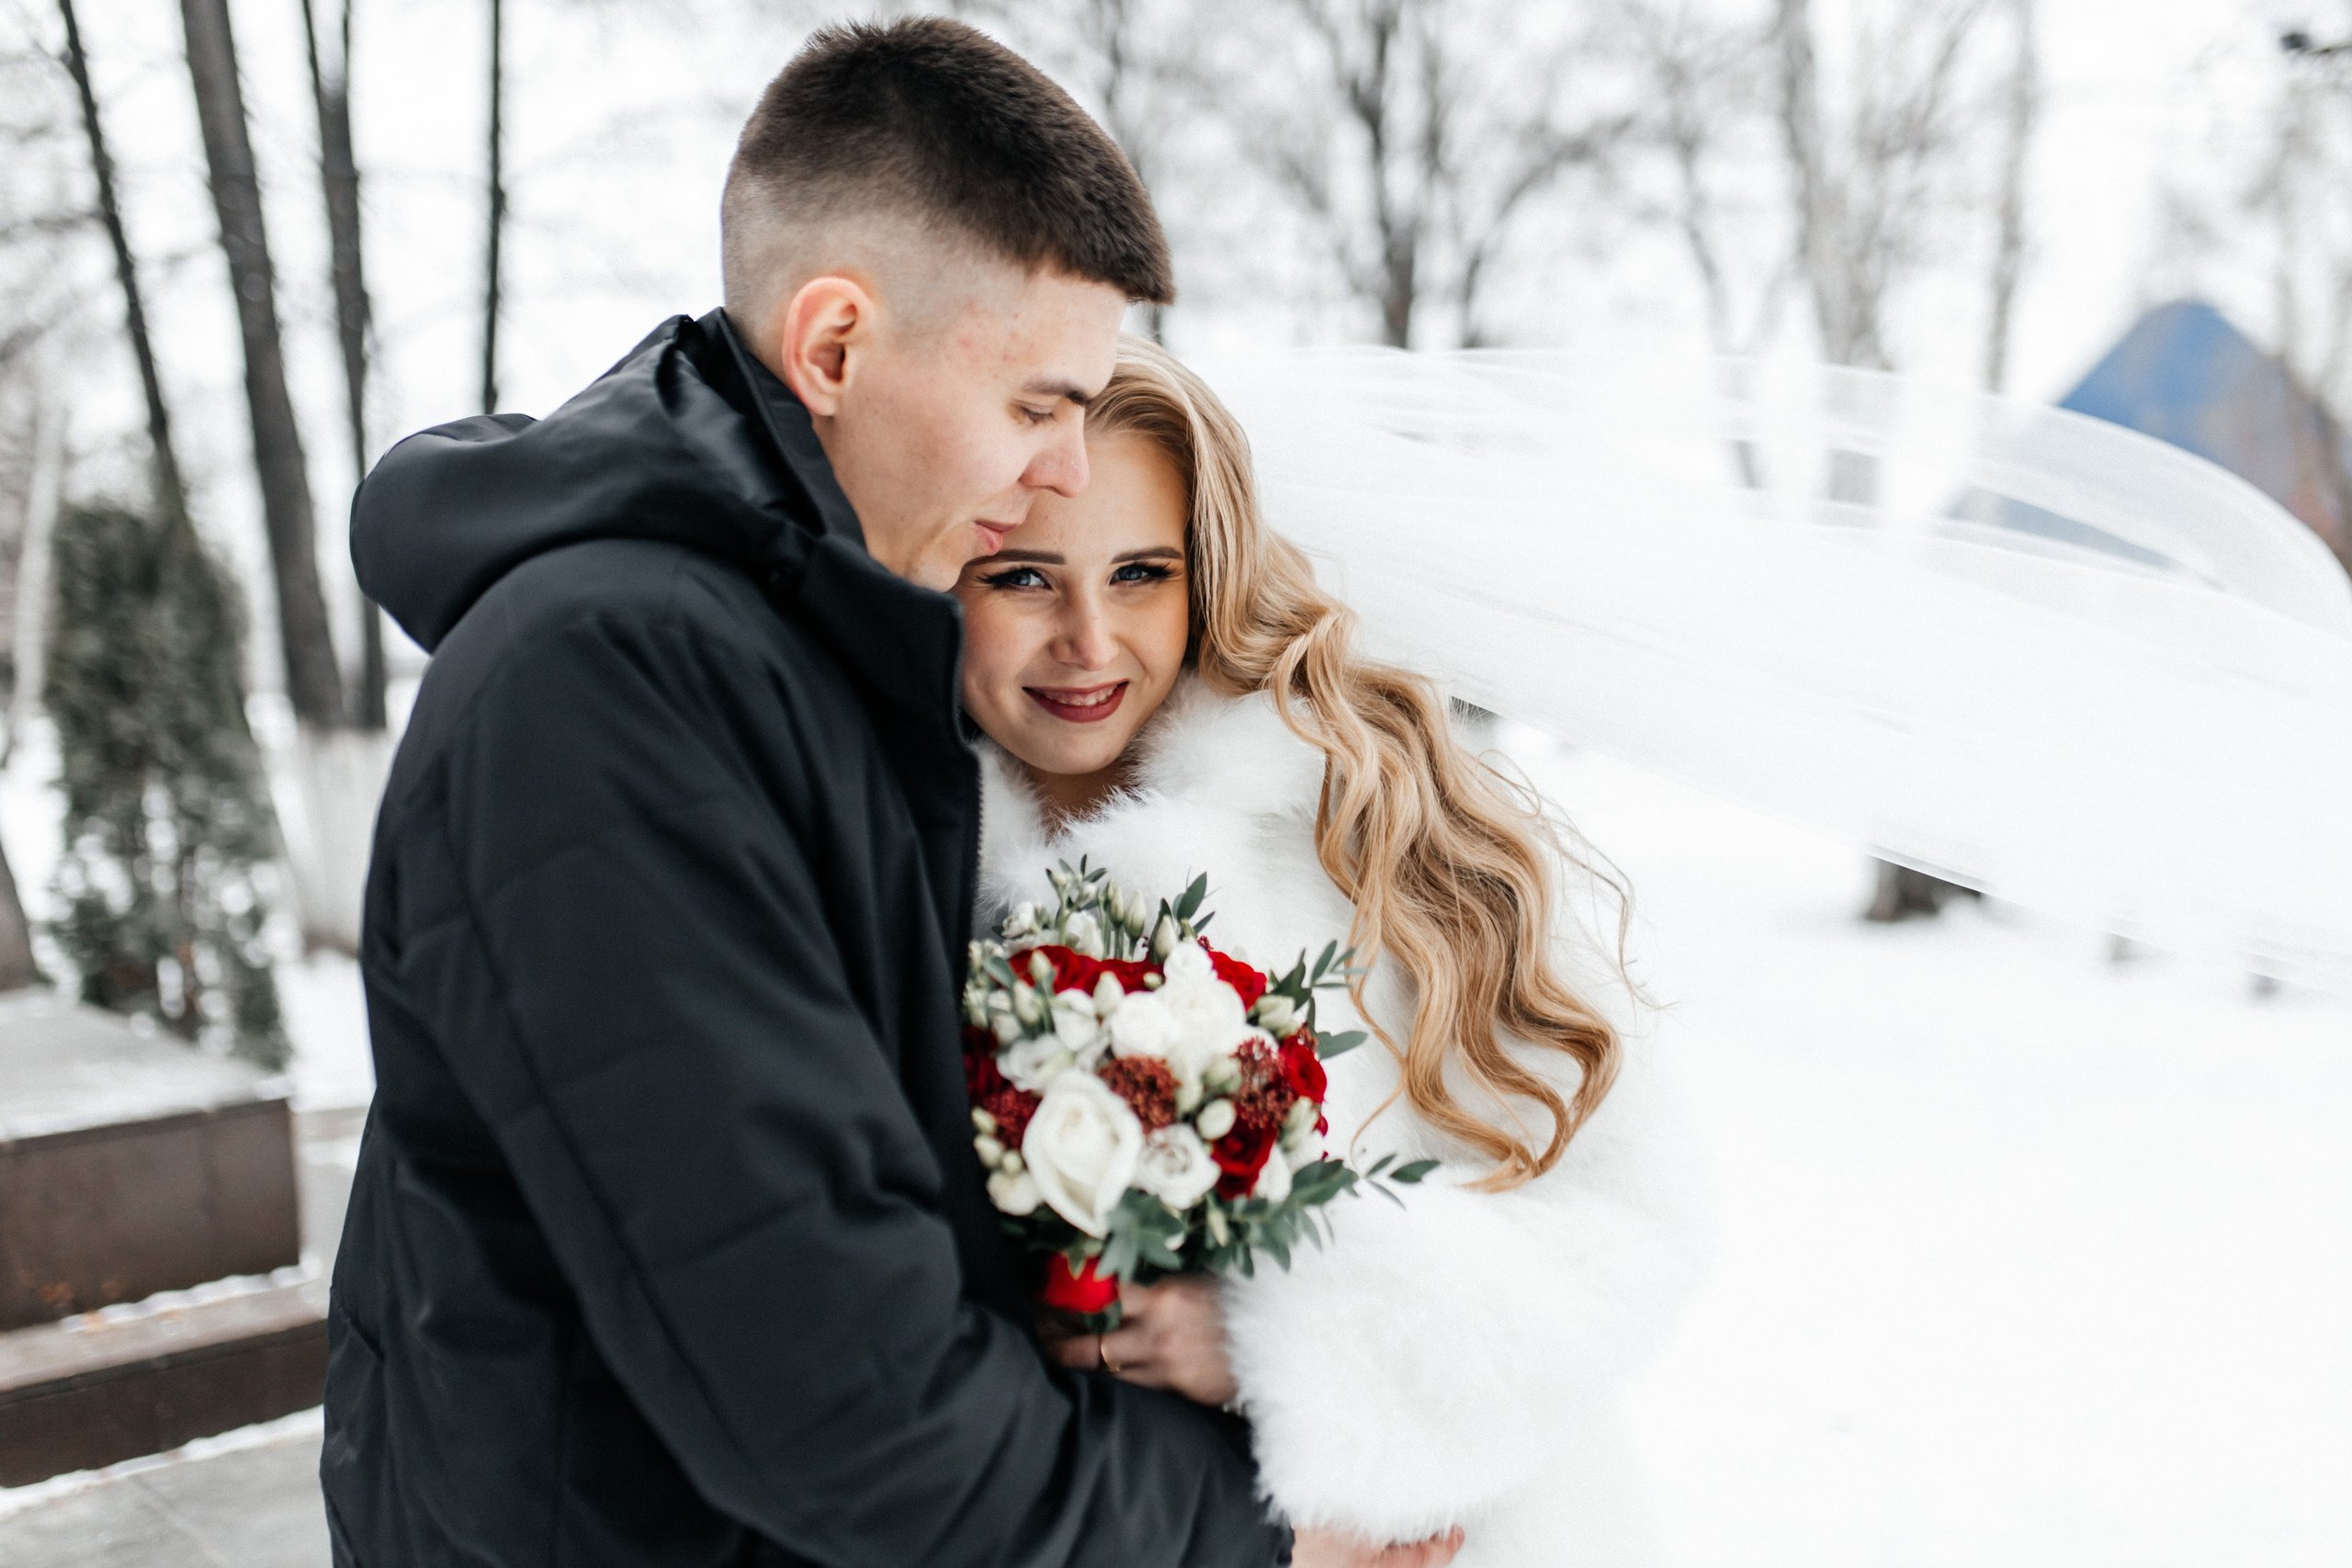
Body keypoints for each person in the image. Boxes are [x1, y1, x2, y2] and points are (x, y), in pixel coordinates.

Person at [326, 21, 1415, 1567]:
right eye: (1039, 404)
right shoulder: (606, 687)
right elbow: (844, 1399)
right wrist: (1252, 1536)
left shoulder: (801, 647)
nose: (1060, 467)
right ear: (834, 348)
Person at [956, 338, 1706, 1565]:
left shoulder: (1386, 818)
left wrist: (1283, 1328)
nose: (1089, 638)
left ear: (1207, 574)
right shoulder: (895, 852)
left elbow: (1632, 1218)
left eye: (1140, 573)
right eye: (1028, 579)